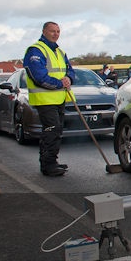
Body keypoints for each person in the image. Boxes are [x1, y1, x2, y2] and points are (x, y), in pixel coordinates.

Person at [24, 21, 76, 176]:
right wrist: (60, 83)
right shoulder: (36, 50)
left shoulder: (60, 52)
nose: (56, 34)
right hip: (45, 99)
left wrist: (69, 79)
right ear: (44, 31)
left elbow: (70, 70)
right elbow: (38, 77)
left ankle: (52, 161)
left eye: (58, 31)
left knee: (57, 130)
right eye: (52, 31)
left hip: (60, 98)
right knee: (51, 130)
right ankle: (47, 165)